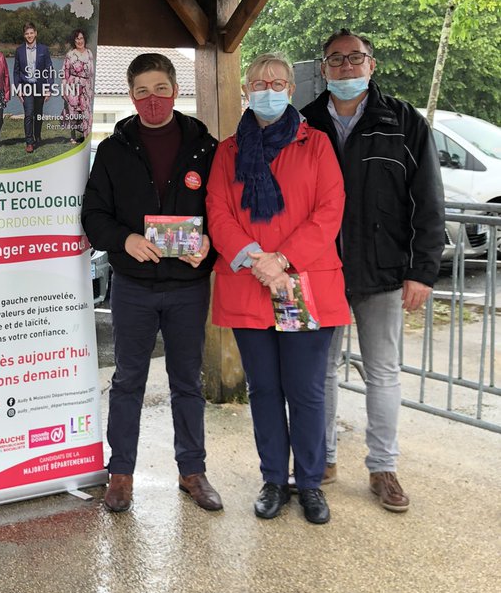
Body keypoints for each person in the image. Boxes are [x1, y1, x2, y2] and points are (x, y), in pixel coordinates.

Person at [302, 28, 444, 512]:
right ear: (323, 69)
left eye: (354, 58)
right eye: (335, 60)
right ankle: (321, 460)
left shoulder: (403, 122)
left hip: (383, 273)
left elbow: (428, 201)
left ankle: (383, 467)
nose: (345, 68)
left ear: (372, 64)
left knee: (382, 372)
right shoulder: (304, 124)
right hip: (318, 273)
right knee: (318, 372)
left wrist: (422, 270)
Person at [206, 53, 349, 525]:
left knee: (305, 391)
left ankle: (309, 483)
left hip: (298, 284)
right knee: (264, 390)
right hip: (250, 285)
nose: (268, 89)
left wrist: (281, 260)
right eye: (259, 82)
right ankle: (273, 479)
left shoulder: (317, 145)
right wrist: (255, 258)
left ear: (291, 88)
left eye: (278, 81)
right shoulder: (228, 152)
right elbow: (218, 212)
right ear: (246, 91)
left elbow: (329, 210)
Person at [82, 52, 221, 514]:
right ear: (131, 96)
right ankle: (120, 474)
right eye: (142, 91)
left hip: (188, 286)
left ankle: (192, 472)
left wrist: (212, 247)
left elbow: (224, 214)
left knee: (187, 381)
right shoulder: (113, 149)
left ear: (175, 90)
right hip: (134, 287)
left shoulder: (207, 147)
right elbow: (93, 217)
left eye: (160, 89)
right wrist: (126, 239)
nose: (153, 100)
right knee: (127, 381)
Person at [12, 21, 54, 153]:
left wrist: (49, 88)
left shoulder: (43, 49)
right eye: (27, 33)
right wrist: (18, 89)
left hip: (40, 86)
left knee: (38, 114)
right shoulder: (19, 51)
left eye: (31, 33)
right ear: (24, 35)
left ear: (35, 33)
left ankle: (38, 137)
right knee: (29, 114)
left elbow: (50, 69)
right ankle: (29, 142)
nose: (29, 35)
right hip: (26, 87)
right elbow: (16, 71)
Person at [61, 28, 94, 144]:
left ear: (84, 39)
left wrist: (91, 89)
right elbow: (64, 73)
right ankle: (73, 136)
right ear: (73, 41)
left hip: (86, 87)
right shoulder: (70, 55)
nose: (79, 41)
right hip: (73, 87)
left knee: (86, 113)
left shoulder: (89, 53)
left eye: (81, 38)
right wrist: (63, 89)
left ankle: (86, 136)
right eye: (77, 39)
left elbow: (91, 73)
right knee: (73, 113)